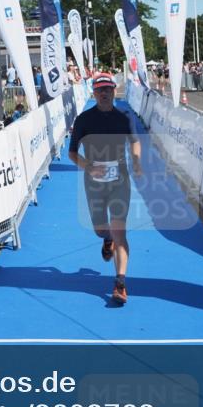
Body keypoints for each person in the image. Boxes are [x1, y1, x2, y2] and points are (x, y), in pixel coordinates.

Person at [68, 74, 143, 305]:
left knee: (121, 232)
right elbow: (72, 153)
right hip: (94, 183)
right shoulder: (83, 120)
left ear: (114, 91)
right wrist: (88, 166)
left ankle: (120, 283)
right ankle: (105, 237)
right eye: (100, 90)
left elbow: (135, 141)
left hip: (120, 180)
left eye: (108, 89)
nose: (104, 93)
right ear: (93, 93)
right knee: (101, 229)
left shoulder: (124, 117)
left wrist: (137, 162)